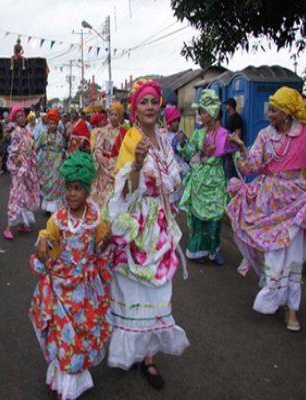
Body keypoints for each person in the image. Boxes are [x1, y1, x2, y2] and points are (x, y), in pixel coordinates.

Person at [226, 87, 306, 332]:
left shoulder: (303, 136)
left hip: (296, 201)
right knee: (272, 251)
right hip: (268, 202)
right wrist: (241, 147)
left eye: (274, 110)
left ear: (286, 113)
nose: (269, 114)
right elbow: (250, 166)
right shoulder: (264, 136)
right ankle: (273, 293)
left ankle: (292, 308)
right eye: (270, 109)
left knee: (292, 254)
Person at [104, 78, 189, 391]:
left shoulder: (165, 139)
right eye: (144, 103)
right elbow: (125, 188)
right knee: (133, 292)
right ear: (134, 109)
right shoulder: (131, 139)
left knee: (158, 292)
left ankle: (149, 356)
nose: (150, 107)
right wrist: (137, 164)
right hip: (137, 227)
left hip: (161, 226)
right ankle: (133, 352)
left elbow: (174, 180)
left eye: (154, 102)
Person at [30, 152, 112, 400]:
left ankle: (71, 383)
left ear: (88, 191)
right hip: (61, 288)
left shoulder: (96, 219)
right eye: (69, 188)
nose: (72, 193)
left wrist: (105, 242)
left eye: (78, 188)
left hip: (85, 290)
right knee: (63, 335)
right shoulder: (59, 219)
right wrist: (43, 242)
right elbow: (46, 238)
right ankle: (63, 386)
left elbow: (99, 251)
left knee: (81, 334)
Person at [178, 89, 237, 265]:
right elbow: (189, 153)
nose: (200, 115)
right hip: (200, 179)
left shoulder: (224, 135)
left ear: (211, 113)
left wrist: (238, 149)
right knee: (198, 219)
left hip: (216, 179)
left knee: (216, 219)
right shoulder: (198, 134)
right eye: (200, 112)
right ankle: (196, 252)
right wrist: (182, 143)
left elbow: (234, 154)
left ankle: (213, 251)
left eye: (202, 111)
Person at [4, 105, 40, 239]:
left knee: (26, 195)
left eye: (23, 116)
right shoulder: (16, 133)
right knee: (17, 195)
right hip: (20, 169)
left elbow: (31, 148)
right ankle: (8, 227)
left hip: (28, 167)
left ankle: (22, 224)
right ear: (14, 118)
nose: (22, 118)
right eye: (18, 116)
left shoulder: (26, 132)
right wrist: (17, 159)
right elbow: (12, 151)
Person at [90, 103, 127, 209]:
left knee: (117, 193)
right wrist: (99, 156)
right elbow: (97, 147)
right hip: (105, 167)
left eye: (116, 115)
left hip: (119, 166)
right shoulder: (102, 131)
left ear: (121, 117)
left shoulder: (124, 132)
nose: (113, 117)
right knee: (105, 195)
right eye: (111, 114)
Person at [37, 109, 66, 214]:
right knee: (46, 184)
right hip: (44, 163)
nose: (52, 125)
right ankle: (47, 207)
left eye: (54, 123)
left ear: (57, 123)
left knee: (55, 183)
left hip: (57, 162)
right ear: (48, 123)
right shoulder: (42, 134)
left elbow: (62, 148)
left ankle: (54, 207)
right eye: (50, 123)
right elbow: (36, 147)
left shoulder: (60, 136)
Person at [163, 106, 190, 204]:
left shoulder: (181, 135)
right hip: (167, 169)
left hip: (180, 169)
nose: (176, 124)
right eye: (174, 121)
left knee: (179, 198)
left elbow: (188, 153)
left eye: (178, 121)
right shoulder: (163, 134)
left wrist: (182, 143)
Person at [224, 98, 243, 180]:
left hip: (233, 150)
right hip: (228, 150)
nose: (225, 107)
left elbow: (238, 134)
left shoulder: (236, 118)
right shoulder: (231, 117)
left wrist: (233, 148)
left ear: (230, 106)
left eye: (226, 105)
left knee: (230, 172)